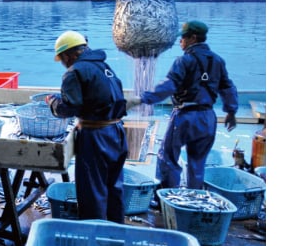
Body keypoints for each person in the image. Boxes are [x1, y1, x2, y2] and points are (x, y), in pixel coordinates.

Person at [127, 20, 238, 196]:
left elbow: (169, 85)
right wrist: (231, 111)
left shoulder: (184, 61)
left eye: (183, 38)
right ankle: (195, 197)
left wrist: (142, 99)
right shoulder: (218, 60)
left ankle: (167, 195)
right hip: (208, 117)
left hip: (185, 116)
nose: (181, 42)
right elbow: (227, 87)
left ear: (193, 38)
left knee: (168, 157)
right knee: (198, 161)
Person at [46, 30, 129, 223]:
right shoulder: (104, 66)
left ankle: (94, 236)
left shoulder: (74, 72)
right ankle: (117, 233)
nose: (63, 64)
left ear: (69, 55)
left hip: (96, 135)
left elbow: (70, 108)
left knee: (92, 192)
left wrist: (52, 102)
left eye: (63, 59)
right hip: (117, 132)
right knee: (114, 187)